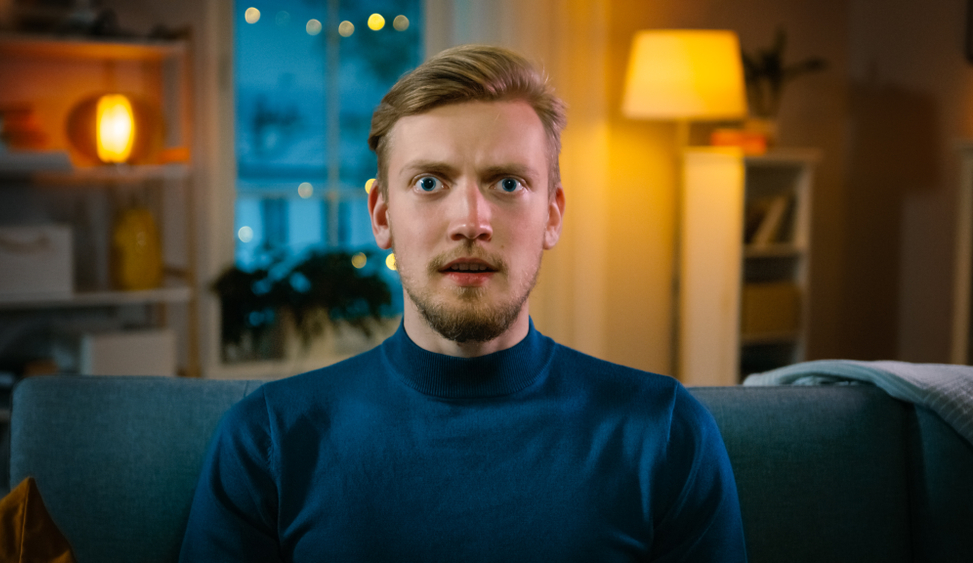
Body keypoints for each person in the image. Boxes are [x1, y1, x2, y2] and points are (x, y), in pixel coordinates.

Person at [180, 44, 747, 562]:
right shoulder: (269, 440)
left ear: (552, 213)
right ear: (381, 216)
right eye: (430, 183)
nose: (470, 222)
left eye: (507, 184)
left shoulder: (665, 433)